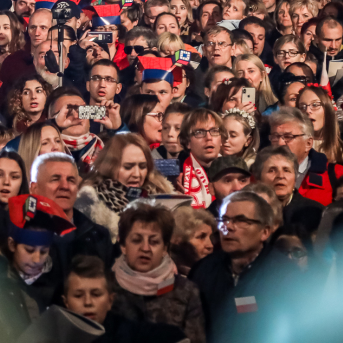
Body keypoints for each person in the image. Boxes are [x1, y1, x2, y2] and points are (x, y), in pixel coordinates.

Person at [188, 191, 287, 341]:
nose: (228, 227)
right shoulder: (203, 269)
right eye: (224, 219)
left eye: (241, 221)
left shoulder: (285, 275)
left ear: (265, 232)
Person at [110, 203, 206, 343]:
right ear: (123, 245)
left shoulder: (186, 292)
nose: (145, 248)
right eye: (136, 240)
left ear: (165, 248)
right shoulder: (107, 288)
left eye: (154, 242)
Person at [75, 134, 174, 241]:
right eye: (128, 167)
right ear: (110, 167)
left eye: (142, 167)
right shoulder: (90, 203)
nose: (137, 174)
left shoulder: (162, 195)